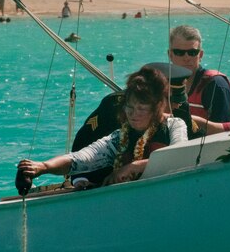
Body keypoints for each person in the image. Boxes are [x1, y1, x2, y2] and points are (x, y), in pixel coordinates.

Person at [17, 66, 187, 191]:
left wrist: (133, 167)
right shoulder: (119, 137)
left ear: (157, 107)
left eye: (142, 109)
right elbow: (82, 158)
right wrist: (43, 167)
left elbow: (179, 156)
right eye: (130, 107)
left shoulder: (174, 125)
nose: (134, 115)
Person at [168, 25, 230, 125]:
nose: (186, 58)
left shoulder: (215, 85)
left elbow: (226, 132)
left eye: (192, 52)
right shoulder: (160, 84)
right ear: (170, 55)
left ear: (200, 55)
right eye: (179, 52)